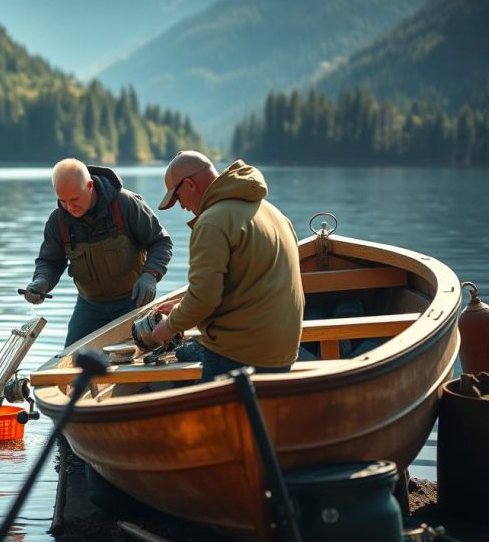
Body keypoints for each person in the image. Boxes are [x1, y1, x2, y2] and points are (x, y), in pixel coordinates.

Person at [150, 151, 303, 382]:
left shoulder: (212, 221)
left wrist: (169, 327)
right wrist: (182, 307)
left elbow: (204, 298)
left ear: (190, 184)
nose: (181, 207)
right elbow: (245, 283)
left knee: (215, 419)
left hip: (240, 354)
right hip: (283, 351)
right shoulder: (272, 213)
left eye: (177, 198)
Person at [25, 158, 173, 347]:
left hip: (132, 302)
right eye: (62, 201)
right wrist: (41, 282)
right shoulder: (58, 221)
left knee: (138, 356)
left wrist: (150, 275)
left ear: (90, 185)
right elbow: (49, 261)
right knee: (72, 360)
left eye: (74, 199)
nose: (69, 207)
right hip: (89, 306)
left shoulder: (125, 205)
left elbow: (161, 242)